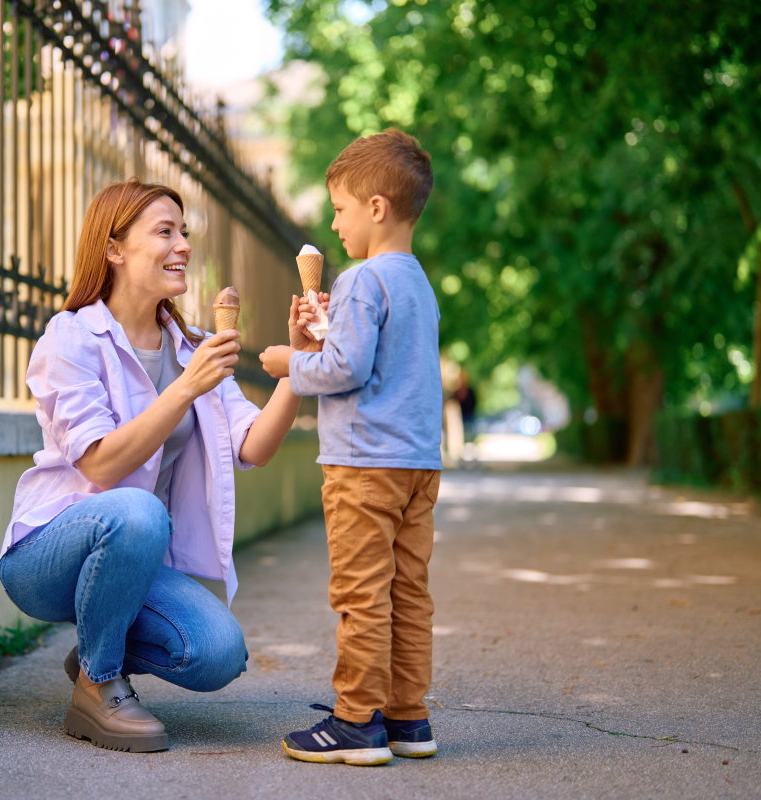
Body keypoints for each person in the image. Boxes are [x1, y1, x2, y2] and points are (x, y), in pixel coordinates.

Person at [0, 178, 312, 753]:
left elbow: (254, 446)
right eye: (164, 232)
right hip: (47, 553)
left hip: (132, 559)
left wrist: (298, 367)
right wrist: (184, 390)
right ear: (113, 249)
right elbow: (102, 466)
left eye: (184, 232)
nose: (184, 245)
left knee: (219, 653)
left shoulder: (190, 347)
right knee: (138, 511)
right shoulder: (71, 337)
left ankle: (102, 644)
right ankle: (98, 688)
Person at [259, 128, 443, 766]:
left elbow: (347, 372)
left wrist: (289, 361)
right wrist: (330, 332)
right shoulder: (416, 282)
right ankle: (407, 717)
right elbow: (378, 359)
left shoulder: (362, 279)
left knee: (362, 593)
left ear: (376, 208)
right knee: (407, 591)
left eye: (339, 208)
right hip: (417, 464)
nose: (333, 223)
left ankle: (354, 721)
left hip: (363, 465)